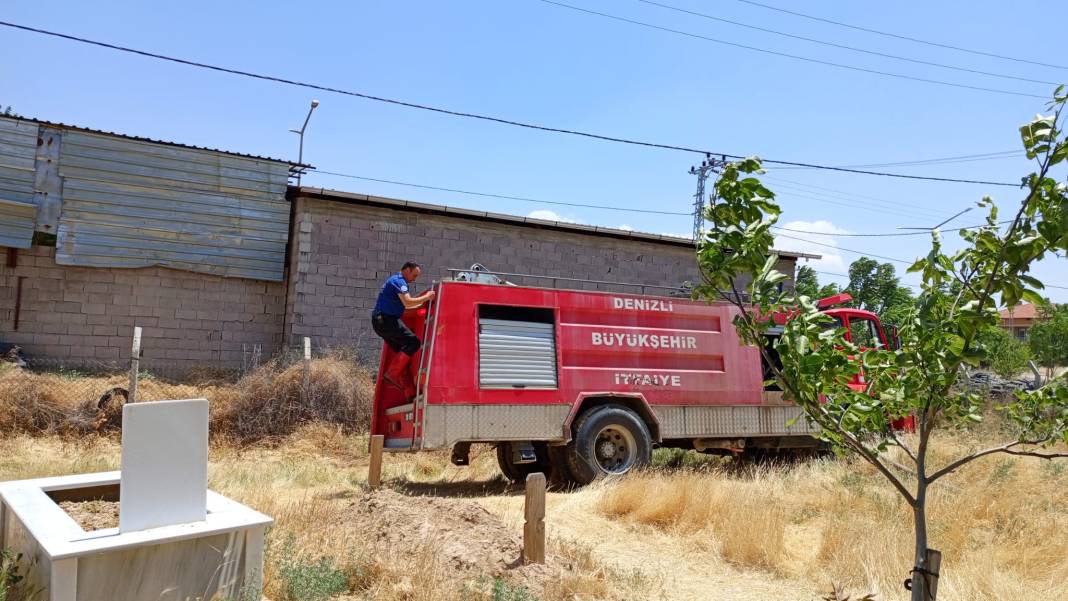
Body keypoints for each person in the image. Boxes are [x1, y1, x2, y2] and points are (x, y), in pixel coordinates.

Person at [371, 261, 436, 399]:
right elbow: (407, 302)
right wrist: (427, 297)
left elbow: (406, 307)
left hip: (381, 322)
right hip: (386, 321)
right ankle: (392, 374)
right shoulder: (398, 281)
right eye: (414, 275)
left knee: (404, 356)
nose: (415, 278)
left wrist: (421, 306)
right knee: (414, 343)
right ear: (406, 270)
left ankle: (409, 392)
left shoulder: (396, 281)